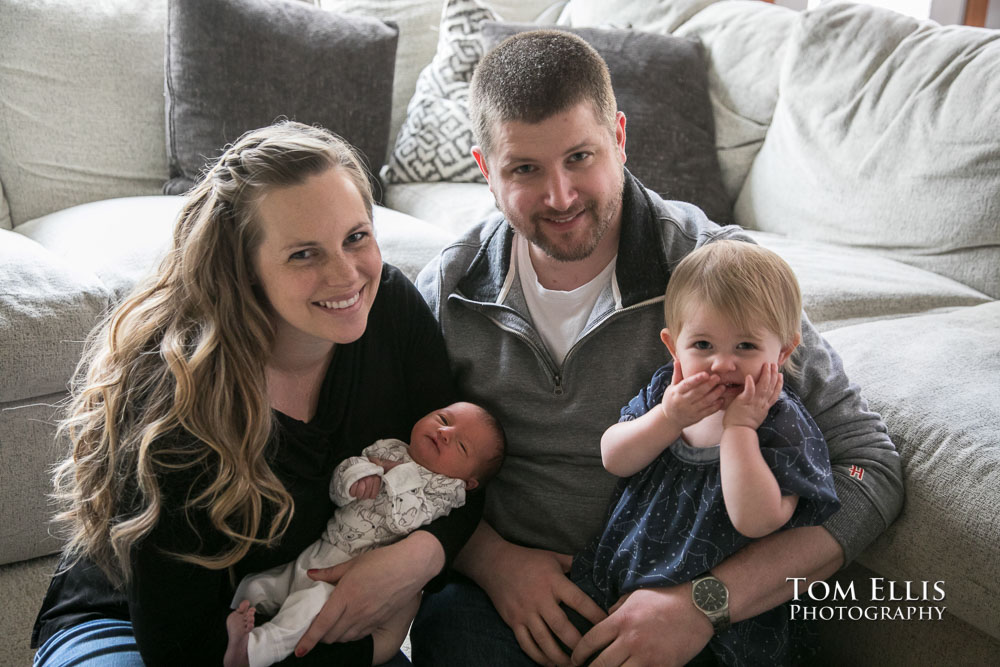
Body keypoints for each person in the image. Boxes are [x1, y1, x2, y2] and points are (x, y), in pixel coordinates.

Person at [413, 30, 902, 666]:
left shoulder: (719, 274)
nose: (560, 197)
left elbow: (871, 468)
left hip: (684, 610)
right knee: (445, 631)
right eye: (524, 169)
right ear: (485, 170)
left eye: (581, 157)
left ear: (619, 137)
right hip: (512, 607)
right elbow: (391, 450)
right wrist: (492, 560)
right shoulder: (453, 289)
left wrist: (706, 602)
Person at [31, 121, 481, 667]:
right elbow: (188, 653)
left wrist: (420, 556)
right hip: (140, 625)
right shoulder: (176, 403)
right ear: (244, 269)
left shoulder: (389, 307)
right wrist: (372, 647)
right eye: (303, 255)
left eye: (356, 237)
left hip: (294, 608)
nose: (346, 275)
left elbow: (466, 466)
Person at [571, 240, 840, 666]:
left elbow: (757, 520)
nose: (722, 365)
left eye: (746, 347)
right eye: (702, 345)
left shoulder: (781, 424)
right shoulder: (667, 393)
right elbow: (614, 457)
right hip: (617, 584)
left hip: (717, 634)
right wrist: (668, 419)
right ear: (673, 345)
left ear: (784, 351)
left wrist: (739, 431)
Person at [224, 400, 506, 667]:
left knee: (306, 610)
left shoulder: (445, 491)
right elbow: (341, 481)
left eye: (461, 445)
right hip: (323, 547)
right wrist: (354, 479)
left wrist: (392, 474)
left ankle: (253, 651)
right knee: (261, 585)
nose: (444, 432)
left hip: (352, 577)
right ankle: (233, 619)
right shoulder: (390, 447)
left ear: (469, 483)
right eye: (443, 419)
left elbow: (405, 519)